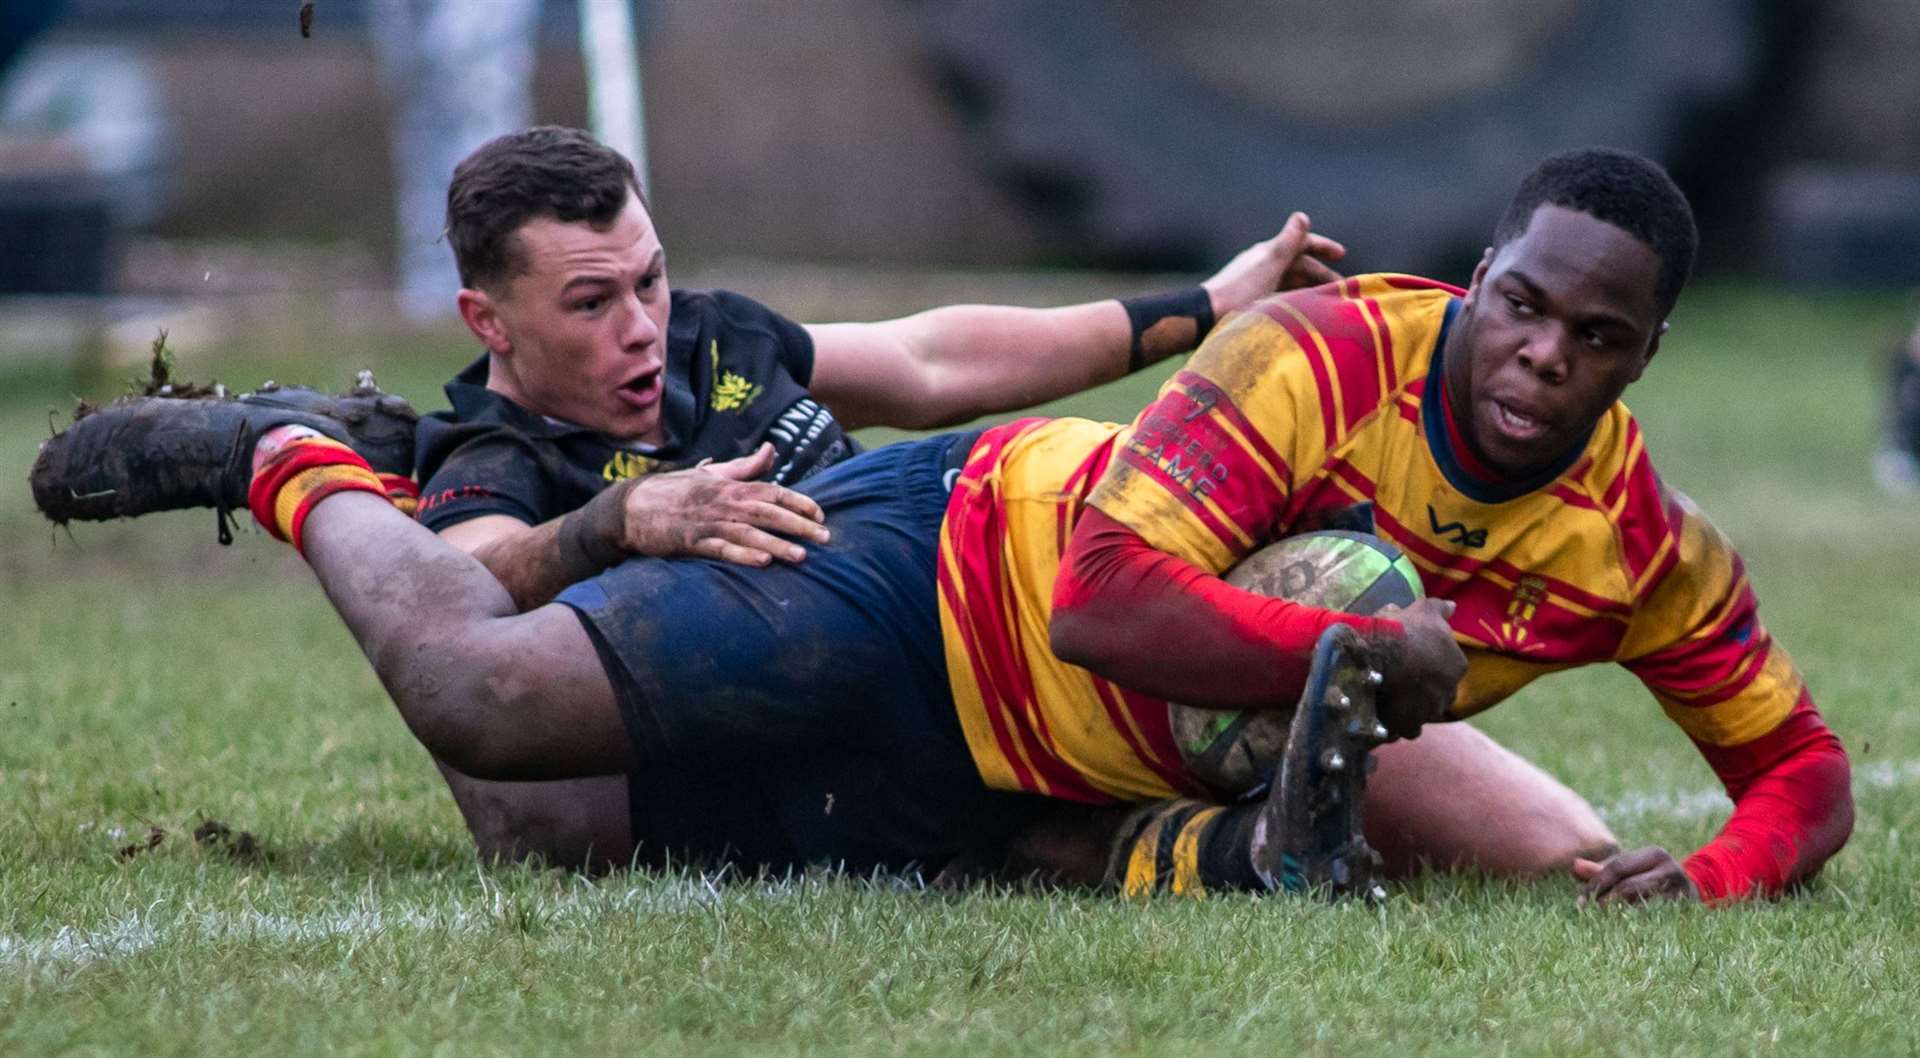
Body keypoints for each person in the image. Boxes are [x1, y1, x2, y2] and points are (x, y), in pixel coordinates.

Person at [34, 147, 1848, 904]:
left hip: (1016, 741)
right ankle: (289, 455)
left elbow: (926, 351)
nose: (1539, 357)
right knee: (508, 755)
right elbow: (1116, 603)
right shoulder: (1325, 353)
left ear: (1646, 356)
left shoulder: (1640, 542)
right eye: (1519, 305)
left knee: (1506, 849)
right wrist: (619, 525)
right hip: (936, 577)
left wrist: (1692, 882)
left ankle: (1214, 837)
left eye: (1593, 337)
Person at [397, 125, 1613, 880]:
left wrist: (1202, 306)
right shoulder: (490, 446)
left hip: (958, 632)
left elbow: (934, 363)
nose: (642, 327)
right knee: (1037, 833)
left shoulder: (718, 339)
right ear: (488, 322)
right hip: (803, 749)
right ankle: (1232, 842)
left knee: (1282, 641)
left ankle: (1558, 852)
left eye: (651, 280)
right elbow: (462, 610)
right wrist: (618, 523)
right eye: (593, 303)